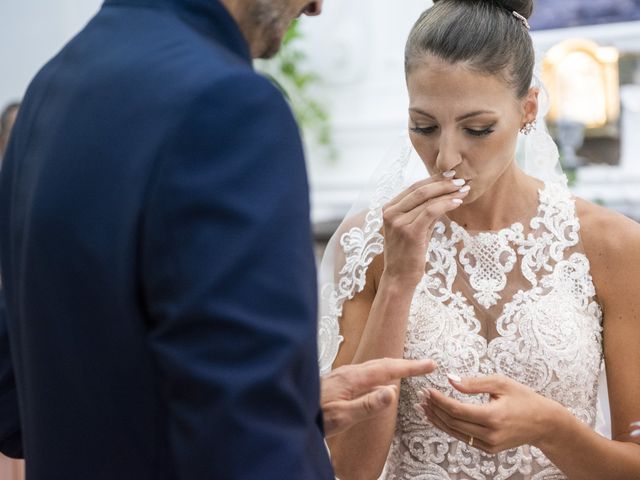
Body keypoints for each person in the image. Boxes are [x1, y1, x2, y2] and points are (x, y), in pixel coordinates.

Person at [0, 0, 438, 478]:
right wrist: (275, 426)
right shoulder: (226, 104)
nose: (315, 6)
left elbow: (19, 402)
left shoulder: (52, 85)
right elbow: (248, 439)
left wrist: (295, 413)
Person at [319, 0, 640, 478]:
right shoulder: (369, 242)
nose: (446, 156)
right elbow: (350, 469)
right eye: (423, 126)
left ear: (528, 109)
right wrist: (399, 279)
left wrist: (551, 429)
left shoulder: (612, 245)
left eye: (477, 129)